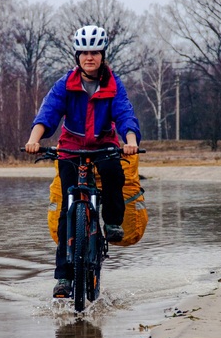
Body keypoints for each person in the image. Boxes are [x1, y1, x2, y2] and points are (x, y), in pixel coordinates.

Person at [25, 25, 141, 298]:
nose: (90, 57)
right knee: (68, 205)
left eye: (95, 52)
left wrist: (131, 140)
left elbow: (124, 114)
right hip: (71, 148)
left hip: (104, 145)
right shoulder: (65, 84)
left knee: (113, 172)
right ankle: (63, 278)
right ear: (77, 56)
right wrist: (34, 140)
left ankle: (112, 222)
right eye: (85, 52)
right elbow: (49, 113)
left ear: (102, 55)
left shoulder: (113, 83)